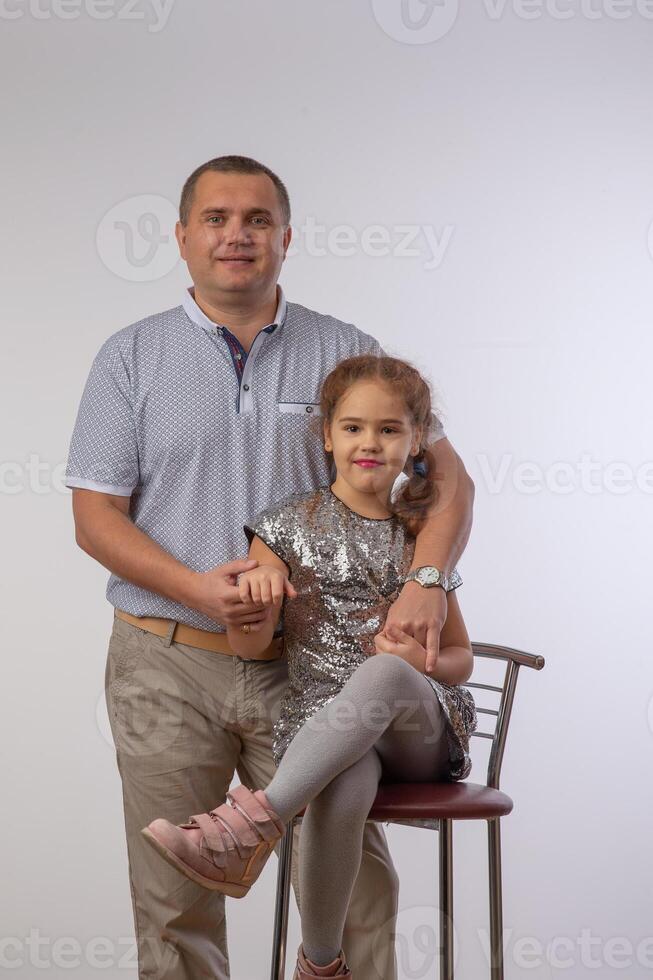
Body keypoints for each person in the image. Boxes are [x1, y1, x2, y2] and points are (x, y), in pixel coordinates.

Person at [66, 155, 475, 980]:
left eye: (257, 220)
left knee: (355, 888)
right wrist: (198, 590)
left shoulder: (344, 349)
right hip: (163, 660)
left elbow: (449, 479)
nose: (236, 236)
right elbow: (94, 517)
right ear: (181, 237)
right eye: (215, 219)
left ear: (286, 238)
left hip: (312, 667)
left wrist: (425, 582)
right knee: (175, 897)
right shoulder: (129, 358)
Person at [142, 353, 478, 980]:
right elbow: (251, 651)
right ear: (325, 435)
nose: (369, 443)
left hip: (418, 731)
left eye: (388, 430)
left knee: (381, 675)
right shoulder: (281, 528)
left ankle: (252, 824)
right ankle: (320, 965)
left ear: (416, 441)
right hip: (329, 728)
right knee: (339, 787)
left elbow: (459, 659)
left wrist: (417, 658)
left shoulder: (419, 536)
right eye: (352, 428)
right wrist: (254, 615)